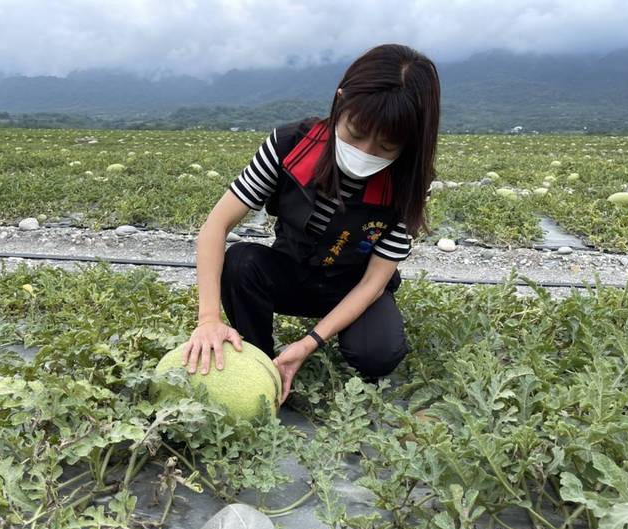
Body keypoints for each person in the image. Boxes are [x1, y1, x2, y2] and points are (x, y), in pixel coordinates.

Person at [181, 43, 441, 406]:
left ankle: (315, 347)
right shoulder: (289, 145)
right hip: (292, 272)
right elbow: (215, 227)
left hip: (351, 288)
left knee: (378, 354)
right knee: (242, 262)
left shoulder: (409, 184)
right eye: (355, 132)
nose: (365, 151)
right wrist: (208, 318)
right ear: (341, 101)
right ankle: (259, 360)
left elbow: (372, 283)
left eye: (385, 146)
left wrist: (308, 343)